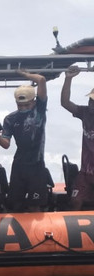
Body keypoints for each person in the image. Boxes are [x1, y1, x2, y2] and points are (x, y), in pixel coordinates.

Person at [0, 70, 48, 212]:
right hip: (19, 166)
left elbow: (41, 80)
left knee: (34, 206)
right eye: (19, 105)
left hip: (36, 165)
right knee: (16, 204)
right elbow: (6, 144)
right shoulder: (10, 119)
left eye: (26, 105)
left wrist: (26, 75)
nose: (23, 108)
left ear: (33, 102)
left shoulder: (39, 111)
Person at [61, 65, 94, 210]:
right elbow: (65, 103)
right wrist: (68, 79)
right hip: (85, 172)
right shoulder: (85, 112)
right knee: (75, 201)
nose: (91, 103)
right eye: (90, 100)